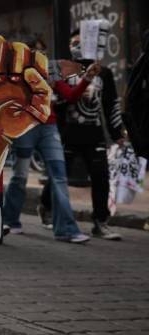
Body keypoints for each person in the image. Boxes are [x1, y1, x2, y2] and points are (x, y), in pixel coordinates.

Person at [2, 59, 98, 243]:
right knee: (19, 176)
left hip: (49, 128)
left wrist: (86, 78)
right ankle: (9, 220)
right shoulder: (16, 70)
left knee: (59, 177)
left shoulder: (49, 69)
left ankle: (66, 230)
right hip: (25, 127)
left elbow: (70, 96)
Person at [43, 30, 126, 240]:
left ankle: (100, 222)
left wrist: (117, 133)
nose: (77, 46)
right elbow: (53, 101)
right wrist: (77, 91)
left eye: (81, 42)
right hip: (67, 133)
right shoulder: (59, 68)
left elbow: (111, 104)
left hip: (94, 134)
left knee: (101, 177)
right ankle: (47, 207)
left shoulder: (103, 73)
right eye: (74, 42)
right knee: (59, 176)